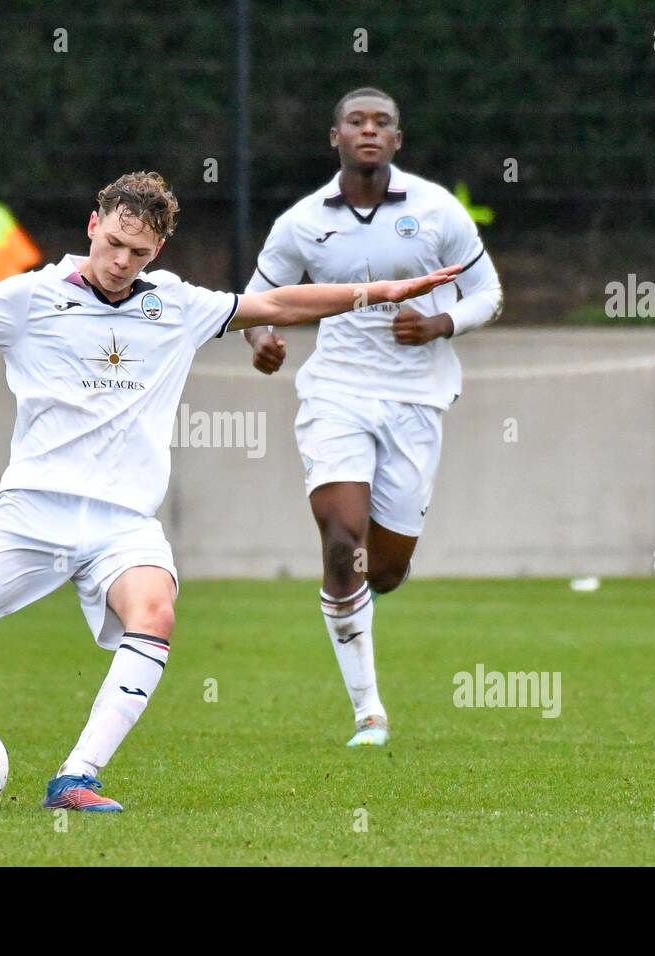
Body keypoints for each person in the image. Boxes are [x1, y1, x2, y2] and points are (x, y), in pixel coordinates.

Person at [0, 170, 462, 810]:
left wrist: (382, 292)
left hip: (123, 525)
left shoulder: (178, 306)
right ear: (93, 223)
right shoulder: (29, 297)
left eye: (140, 251)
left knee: (154, 613)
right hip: (30, 516)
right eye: (116, 242)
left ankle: (77, 776)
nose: (123, 260)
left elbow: (277, 301)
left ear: (157, 249)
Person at [241, 89, 503, 747]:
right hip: (336, 394)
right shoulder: (302, 222)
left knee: (381, 570)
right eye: (356, 121)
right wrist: (260, 340)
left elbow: (490, 294)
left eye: (381, 122)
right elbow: (255, 300)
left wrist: (443, 321)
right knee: (340, 543)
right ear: (335, 137)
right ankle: (368, 712)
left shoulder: (437, 211)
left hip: (417, 401)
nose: (368, 130)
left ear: (397, 139)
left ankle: (364, 592)